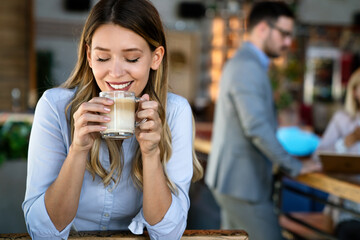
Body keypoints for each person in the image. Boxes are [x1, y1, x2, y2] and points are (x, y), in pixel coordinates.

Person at [22, 0, 203, 239]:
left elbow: (168, 234)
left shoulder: (175, 112)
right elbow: (41, 233)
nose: (115, 73)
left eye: (132, 59)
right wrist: (78, 149)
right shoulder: (54, 108)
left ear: (156, 57)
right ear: (89, 55)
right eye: (103, 58)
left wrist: (151, 155)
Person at [205, 2, 321, 240]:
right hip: (243, 184)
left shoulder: (248, 62)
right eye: (285, 34)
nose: (289, 42)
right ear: (262, 29)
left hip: (236, 181)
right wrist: (295, 166)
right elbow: (256, 127)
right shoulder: (248, 66)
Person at [314, 68, 360, 240]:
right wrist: (346, 142)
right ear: (354, 91)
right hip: (348, 204)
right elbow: (319, 155)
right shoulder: (343, 119)